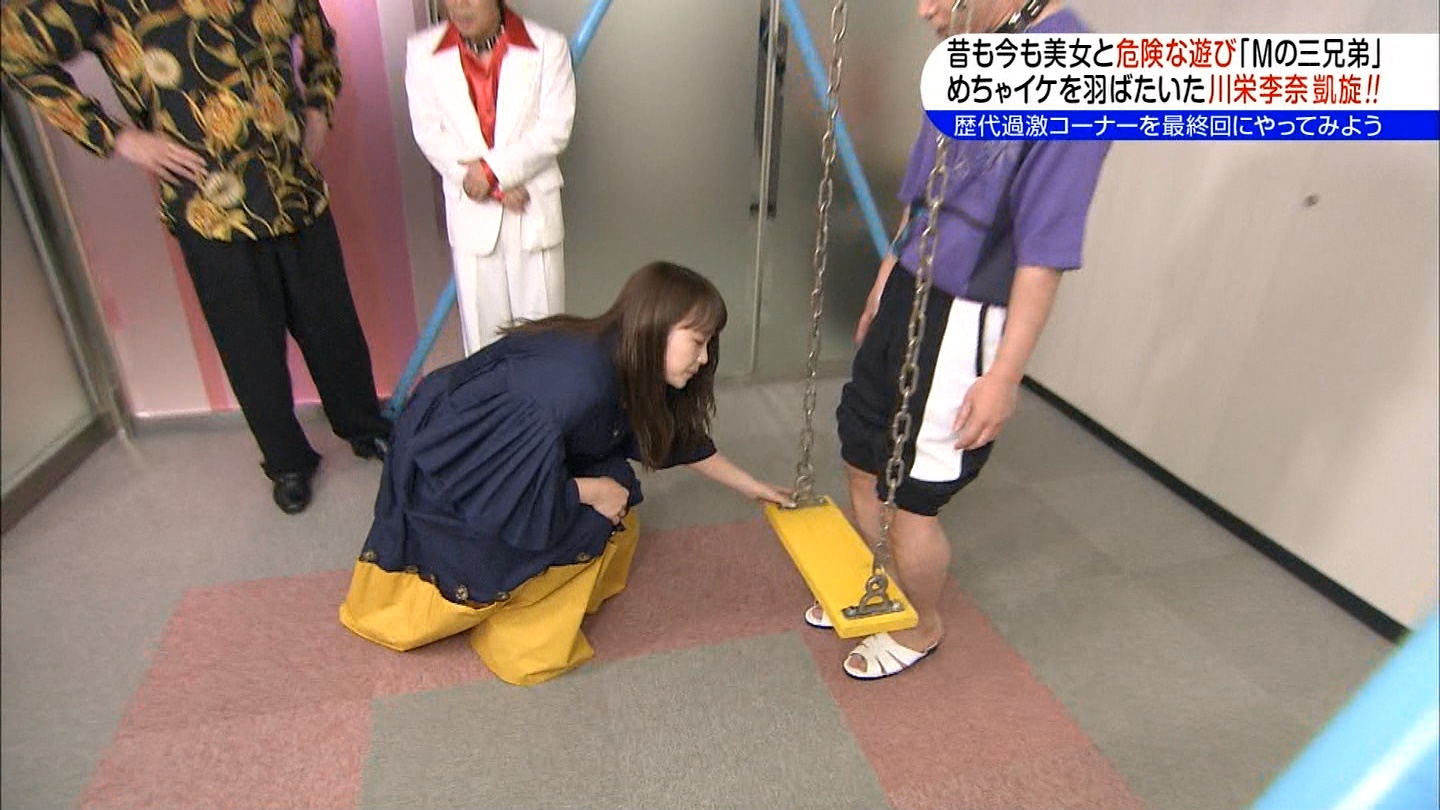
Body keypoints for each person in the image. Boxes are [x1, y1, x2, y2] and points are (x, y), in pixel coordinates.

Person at [807, 0, 1112, 679]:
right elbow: (922, 194)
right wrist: (885, 277)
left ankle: (920, 626)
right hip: (909, 285)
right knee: (861, 452)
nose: (926, 11)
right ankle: (880, 584)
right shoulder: (973, 53)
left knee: (911, 494)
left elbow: (1043, 252)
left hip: (967, 314)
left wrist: (1004, 375)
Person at [0, 0, 393, 515]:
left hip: (293, 186)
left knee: (332, 323)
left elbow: (320, 41)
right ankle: (287, 462)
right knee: (249, 345)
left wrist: (319, 107)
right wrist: (118, 138)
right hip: (209, 205)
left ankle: (364, 426)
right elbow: (15, 49)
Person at [340, 261, 793, 686]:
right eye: (697, 342)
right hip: (454, 474)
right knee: (599, 510)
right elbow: (509, 492)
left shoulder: (619, 353)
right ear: (656, 327)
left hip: (486, 452)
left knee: (615, 490)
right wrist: (592, 492)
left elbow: (678, 442)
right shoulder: (580, 383)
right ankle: (514, 624)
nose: (705, 357)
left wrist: (753, 487)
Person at [405, 0, 576, 355]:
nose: (459, 6)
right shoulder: (422, 52)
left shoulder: (548, 45)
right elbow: (430, 135)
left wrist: (492, 172)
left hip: (532, 213)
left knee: (544, 345)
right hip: (473, 217)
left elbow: (554, 129)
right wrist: (493, 188)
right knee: (484, 351)